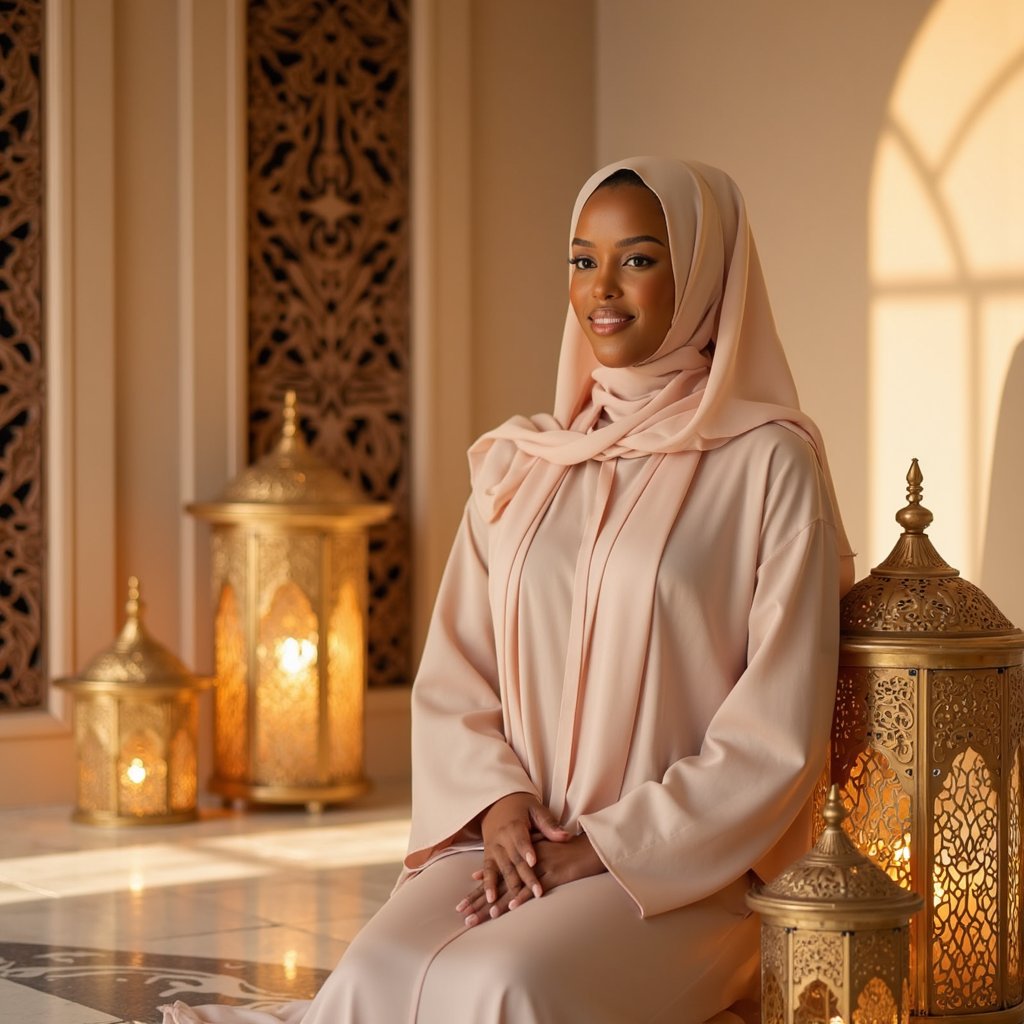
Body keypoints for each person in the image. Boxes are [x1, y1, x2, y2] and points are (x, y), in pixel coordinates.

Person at [161, 157, 854, 1024]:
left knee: (502, 985)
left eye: (638, 259)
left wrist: (603, 847)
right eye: (581, 259)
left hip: (685, 877)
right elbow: (458, 672)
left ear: (705, 275)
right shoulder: (526, 465)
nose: (602, 288)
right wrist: (500, 810)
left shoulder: (770, 465)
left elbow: (777, 735)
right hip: (513, 842)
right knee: (373, 974)